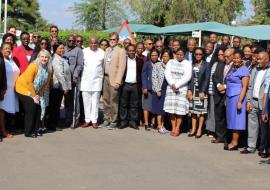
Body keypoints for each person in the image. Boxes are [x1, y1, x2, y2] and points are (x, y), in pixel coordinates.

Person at [15, 50, 52, 138]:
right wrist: (34, 95)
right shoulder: (33, 65)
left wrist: (39, 94)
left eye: (46, 57)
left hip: (35, 91)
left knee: (39, 108)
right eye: (42, 56)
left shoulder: (49, 69)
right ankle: (28, 132)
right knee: (31, 108)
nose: (44, 58)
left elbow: (45, 84)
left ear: (48, 58)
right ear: (38, 57)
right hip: (23, 88)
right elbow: (29, 82)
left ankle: (35, 130)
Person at [242, 51, 270, 155]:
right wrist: (248, 100)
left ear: (267, 60)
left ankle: (263, 148)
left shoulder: (269, 70)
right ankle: (251, 146)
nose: (257, 61)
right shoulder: (254, 69)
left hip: (264, 103)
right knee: (252, 125)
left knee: (264, 127)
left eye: (260, 59)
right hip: (253, 100)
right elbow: (249, 86)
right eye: (257, 59)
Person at [100, 32, 126, 129]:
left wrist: (118, 81)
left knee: (113, 101)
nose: (111, 41)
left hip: (114, 80)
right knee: (105, 100)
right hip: (105, 78)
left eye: (113, 39)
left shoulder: (121, 51)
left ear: (117, 40)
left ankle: (113, 121)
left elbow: (122, 68)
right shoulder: (107, 50)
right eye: (110, 39)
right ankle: (106, 119)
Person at [224, 51, 249, 150]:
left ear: (242, 58)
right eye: (234, 58)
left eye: (238, 58)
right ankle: (232, 140)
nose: (236, 60)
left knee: (237, 121)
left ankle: (235, 143)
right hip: (230, 97)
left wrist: (240, 101)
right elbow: (229, 84)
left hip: (238, 97)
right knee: (231, 119)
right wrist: (226, 98)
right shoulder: (232, 69)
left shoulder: (244, 70)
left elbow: (244, 87)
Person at [164, 48, 192, 136]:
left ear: (184, 55)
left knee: (180, 110)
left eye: (182, 54)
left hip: (182, 88)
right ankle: (173, 127)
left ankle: (177, 128)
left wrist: (177, 85)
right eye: (178, 54)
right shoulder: (170, 62)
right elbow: (167, 73)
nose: (180, 56)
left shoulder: (187, 63)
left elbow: (188, 76)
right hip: (171, 88)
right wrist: (172, 84)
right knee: (171, 110)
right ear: (175, 54)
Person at [80, 37, 104, 129]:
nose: (93, 44)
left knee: (95, 102)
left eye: (95, 43)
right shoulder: (84, 51)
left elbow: (103, 66)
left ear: (97, 43)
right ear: (89, 43)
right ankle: (87, 120)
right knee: (86, 102)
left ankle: (94, 121)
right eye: (91, 43)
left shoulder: (102, 52)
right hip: (85, 81)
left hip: (97, 81)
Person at [118, 44, 144, 129]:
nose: (131, 52)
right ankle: (123, 121)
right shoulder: (123, 60)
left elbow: (141, 74)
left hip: (135, 85)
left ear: (135, 50)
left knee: (134, 105)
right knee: (123, 104)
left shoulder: (140, 60)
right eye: (130, 50)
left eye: (133, 50)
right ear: (127, 51)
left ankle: (133, 121)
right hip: (125, 84)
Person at [47, 42, 71, 131]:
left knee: (56, 106)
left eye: (63, 48)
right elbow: (59, 74)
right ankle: (51, 125)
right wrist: (65, 87)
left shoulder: (61, 58)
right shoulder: (55, 59)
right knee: (54, 107)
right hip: (57, 87)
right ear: (55, 49)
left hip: (60, 87)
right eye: (60, 48)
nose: (62, 50)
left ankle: (53, 124)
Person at [212, 48, 234, 144]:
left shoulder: (236, 66)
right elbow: (214, 77)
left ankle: (227, 139)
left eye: (227, 56)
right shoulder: (220, 64)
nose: (225, 58)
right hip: (218, 95)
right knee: (219, 116)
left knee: (228, 118)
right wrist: (218, 86)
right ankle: (220, 136)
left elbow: (235, 81)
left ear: (233, 55)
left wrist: (224, 86)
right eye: (224, 56)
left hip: (228, 95)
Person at [187, 47, 210, 138]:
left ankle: (199, 129)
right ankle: (193, 129)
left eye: (200, 54)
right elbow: (189, 78)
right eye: (196, 54)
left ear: (203, 55)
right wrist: (189, 89)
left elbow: (207, 79)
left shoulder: (206, 65)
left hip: (201, 91)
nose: (198, 55)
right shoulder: (192, 64)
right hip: (193, 90)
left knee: (201, 112)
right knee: (193, 111)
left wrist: (203, 91)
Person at [64, 35, 84, 128]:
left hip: (74, 79)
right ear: (66, 41)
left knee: (75, 101)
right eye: (70, 40)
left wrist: (75, 75)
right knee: (67, 100)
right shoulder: (63, 49)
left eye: (73, 41)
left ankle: (75, 119)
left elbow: (80, 65)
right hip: (64, 80)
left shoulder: (78, 51)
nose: (71, 42)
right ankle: (67, 118)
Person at [0, 43, 19, 138]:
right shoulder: (1, 60)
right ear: (1, 49)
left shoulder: (11, 60)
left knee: (8, 112)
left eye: (9, 48)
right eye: (6, 48)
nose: (8, 50)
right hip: (4, 90)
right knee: (2, 112)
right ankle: (3, 131)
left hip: (12, 90)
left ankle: (7, 129)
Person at [151, 49, 171, 134]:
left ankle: (162, 125)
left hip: (168, 89)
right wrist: (157, 89)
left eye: (167, 56)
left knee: (164, 109)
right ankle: (159, 126)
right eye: (164, 56)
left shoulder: (171, 65)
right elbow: (154, 78)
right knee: (159, 109)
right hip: (159, 89)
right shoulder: (157, 65)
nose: (165, 58)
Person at [142, 49, 159, 131]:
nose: (154, 57)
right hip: (147, 88)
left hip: (156, 89)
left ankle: (153, 122)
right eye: (152, 55)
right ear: (150, 56)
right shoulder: (147, 64)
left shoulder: (160, 64)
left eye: (155, 55)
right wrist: (144, 87)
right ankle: (146, 123)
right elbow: (143, 76)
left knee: (154, 107)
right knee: (146, 106)